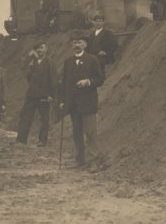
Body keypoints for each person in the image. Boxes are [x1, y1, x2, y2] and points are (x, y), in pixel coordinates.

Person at [59, 30, 106, 173]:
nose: (76, 45)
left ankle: (94, 161)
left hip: (88, 103)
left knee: (91, 133)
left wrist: (88, 81)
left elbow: (100, 79)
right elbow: (64, 83)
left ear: (85, 44)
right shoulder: (68, 62)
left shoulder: (92, 59)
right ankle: (80, 161)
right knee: (77, 133)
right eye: (74, 43)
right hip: (74, 105)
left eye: (79, 42)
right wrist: (62, 101)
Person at [15, 42, 58, 147]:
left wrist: (51, 95)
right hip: (31, 94)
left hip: (44, 95)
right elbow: (27, 75)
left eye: (42, 48)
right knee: (25, 117)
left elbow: (54, 80)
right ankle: (21, 140)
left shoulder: (50, 62)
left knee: (44, 119)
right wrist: (29, 59)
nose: (40, 50)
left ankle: (42, 141)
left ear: (46, 49)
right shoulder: (32, 62)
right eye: (37, 48)